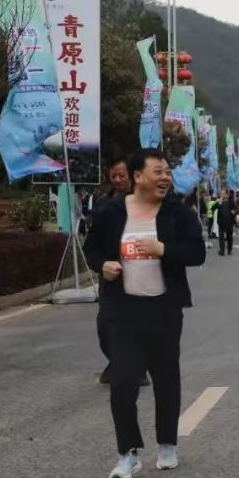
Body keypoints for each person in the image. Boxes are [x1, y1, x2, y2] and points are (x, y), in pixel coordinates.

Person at [84, 148, 207, 478]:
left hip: (164, 309)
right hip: (122, 310)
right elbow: (92, 249)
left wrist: (162, 249)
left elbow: (197, 252)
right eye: (158, 171)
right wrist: (103, 265)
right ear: (138, 176)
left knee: (166, 378)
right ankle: (128, 454)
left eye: (167, 171)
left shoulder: (178, 212)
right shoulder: (111, 212)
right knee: (123, 381)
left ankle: (167, 444)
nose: (165, 177)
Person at [93, 159, 148, 387]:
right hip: (111, 277)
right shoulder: (102, 203)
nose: (117, 180)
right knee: (105, 325)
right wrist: (101, 264)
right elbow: (93, 244)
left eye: (121, 175)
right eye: (113, 175)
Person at [216, 189, 237, 256]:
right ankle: (222, 251)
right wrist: (219, 202)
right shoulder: (219, 201)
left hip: (229, 221)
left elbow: (236, 208)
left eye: (223, 193)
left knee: (229, 236)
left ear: (227, 194)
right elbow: (213, 208)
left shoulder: (231, 201)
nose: (222, 195)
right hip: (221, 222)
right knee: (221, 237)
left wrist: (234, 211)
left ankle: (229, 250)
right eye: (221, 193)